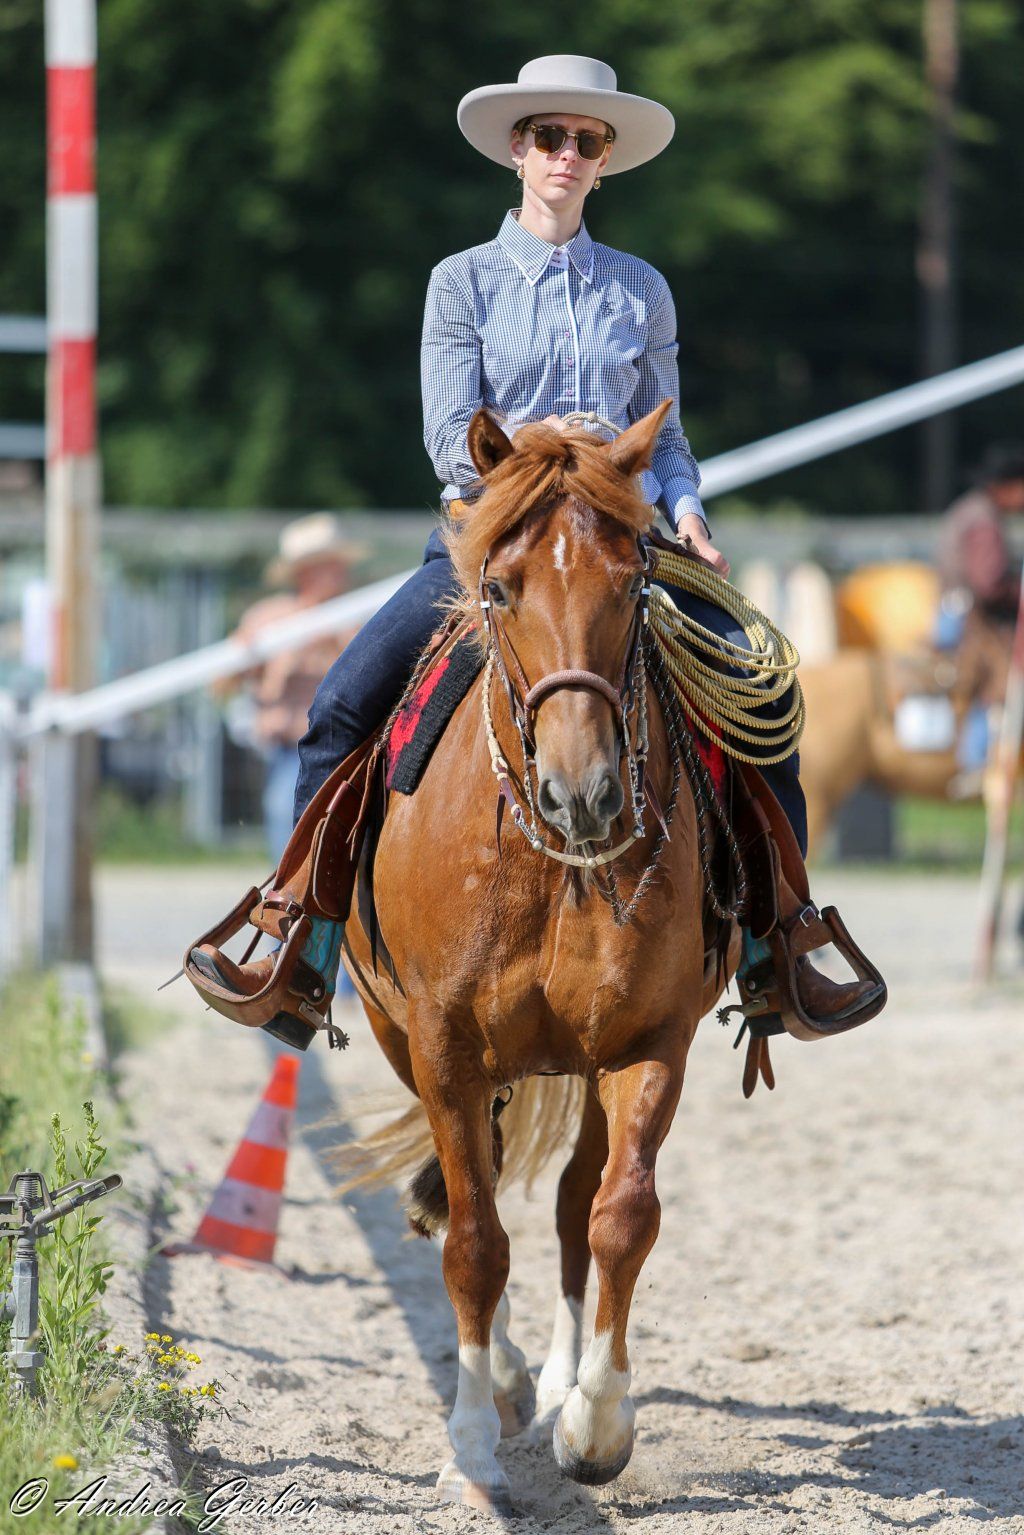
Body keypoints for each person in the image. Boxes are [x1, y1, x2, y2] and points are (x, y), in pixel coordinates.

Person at [227, 54, 884, 1035]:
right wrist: (549, 467)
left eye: (587, 141)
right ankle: (299, 940)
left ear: (604, 160)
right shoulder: (462, 283)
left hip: (625, 544)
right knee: (339, 706)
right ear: (516, 151)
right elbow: (450, 436)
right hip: (489, 541)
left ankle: (775, 943)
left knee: (763, 690)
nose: (567, 155)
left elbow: (661, 437)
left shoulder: (641, 291)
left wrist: (688, 505)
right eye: (549, 138)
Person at [220, 513, 363, 860]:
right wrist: (247, 657)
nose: (342, 571)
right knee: (288, 819)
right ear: (306, 571)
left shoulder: (356, 619)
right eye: (333, 564)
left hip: (347, 751)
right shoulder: (269, 618)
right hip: (289, 750)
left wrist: (331, 643)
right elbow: (221, 683)